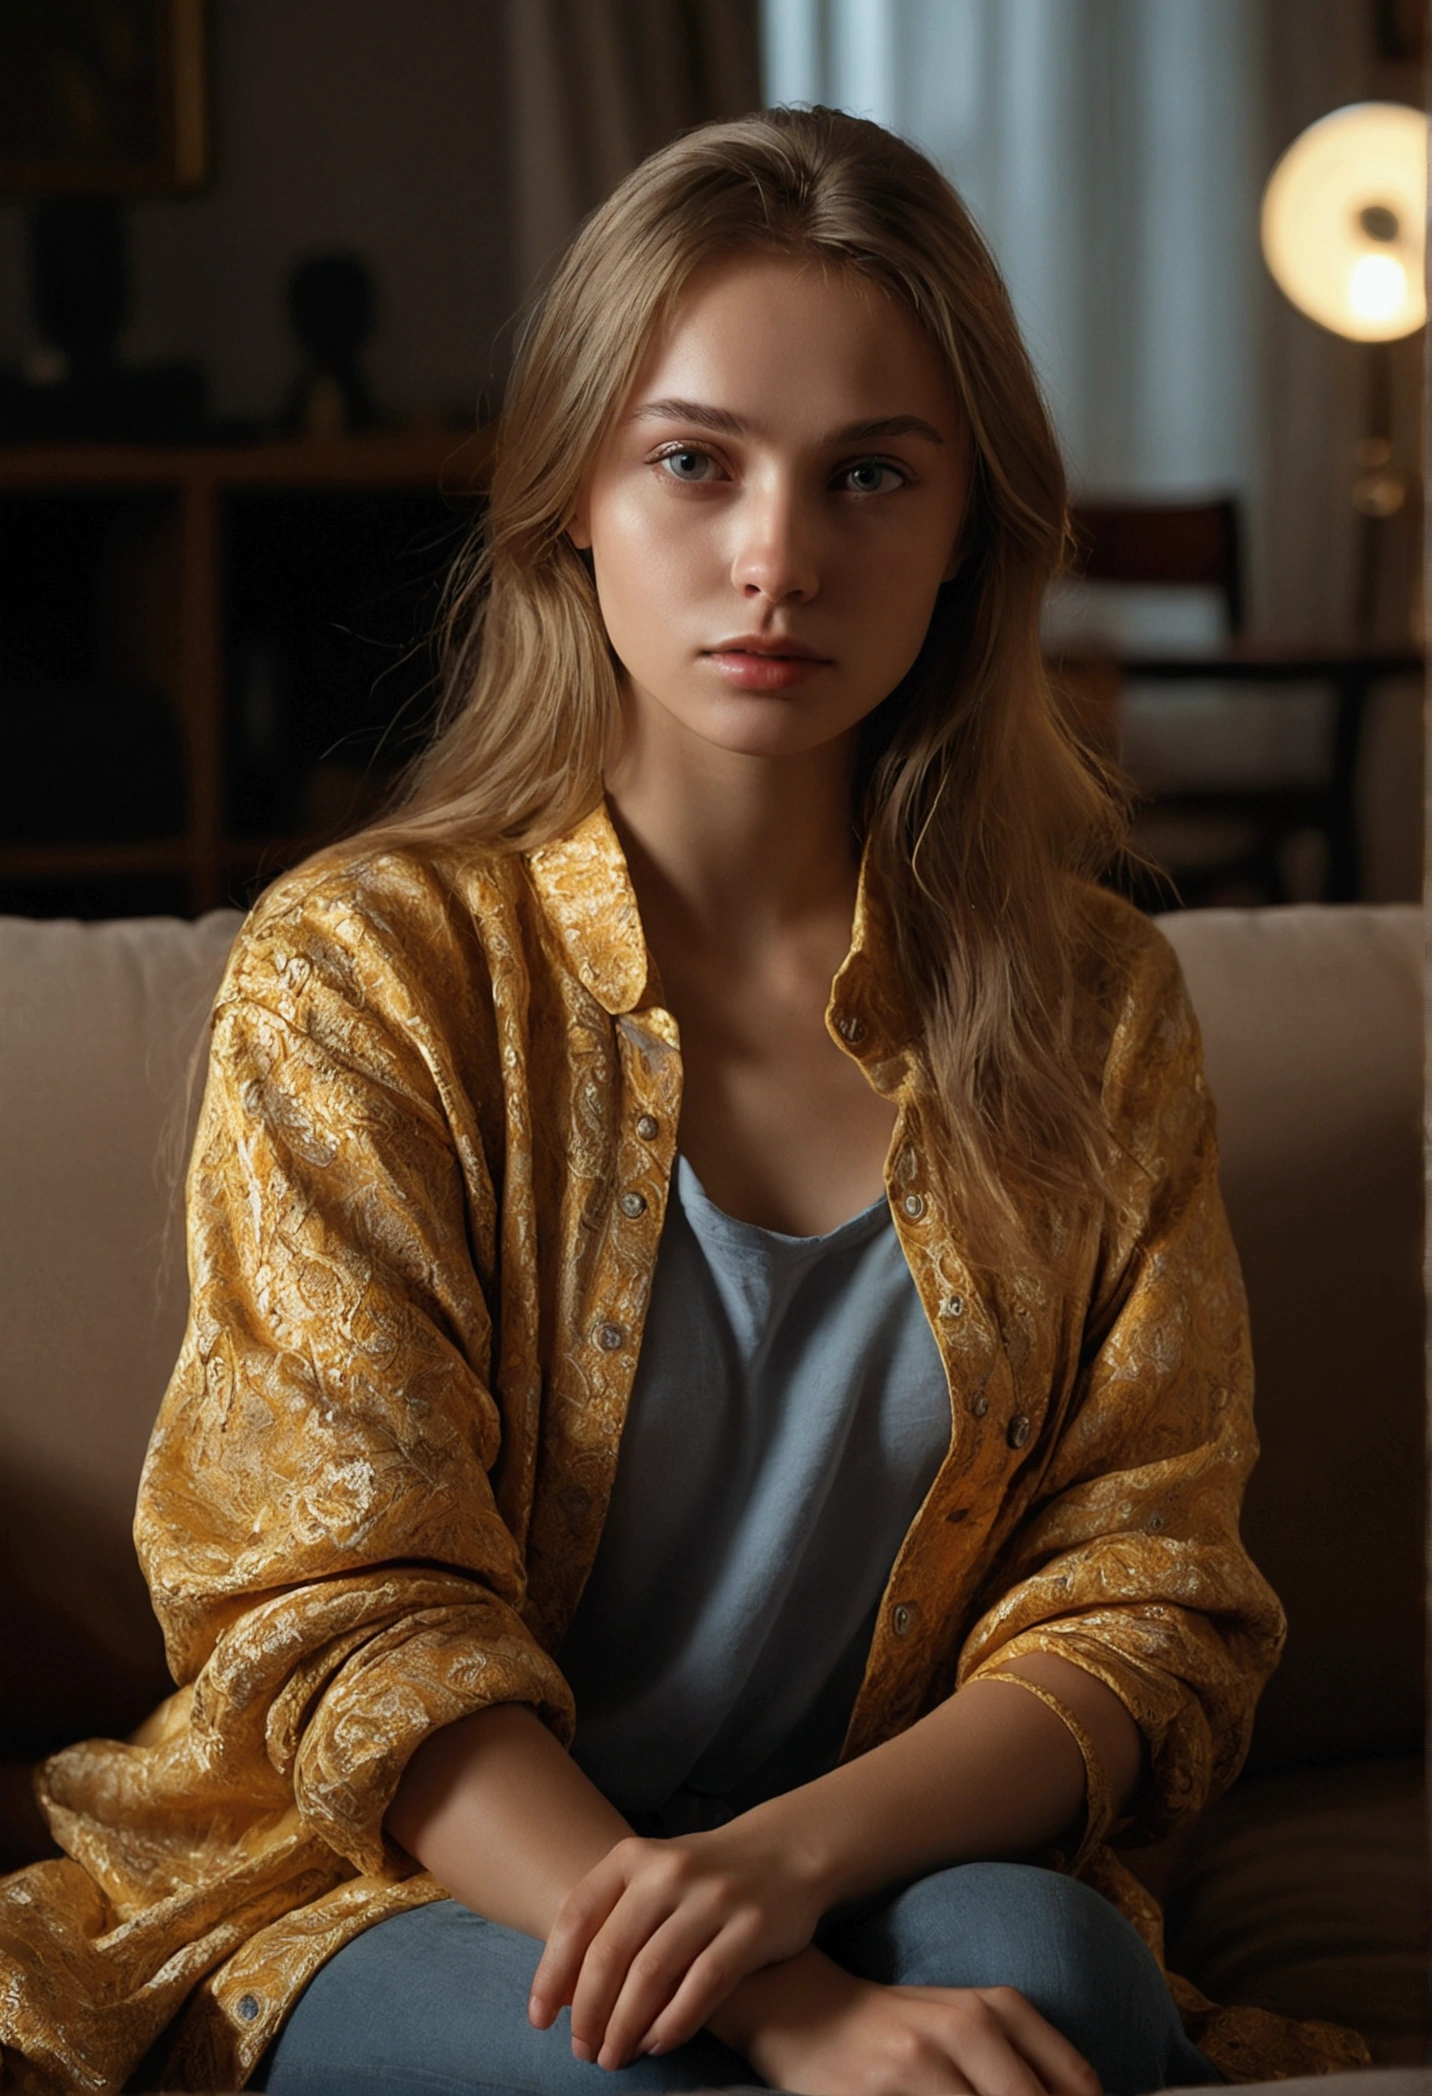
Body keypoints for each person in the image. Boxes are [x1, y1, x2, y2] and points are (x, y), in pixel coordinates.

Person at [0, 108, 1366, 2096]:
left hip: (865, 1850)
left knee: (1051, 1987)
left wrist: (778, 1868)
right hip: (397, 1881)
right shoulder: (363, 970)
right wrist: (787, 2005)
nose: (775, 559)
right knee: (653, 2073)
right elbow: (346, 1618)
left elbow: (1144, 1595)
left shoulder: (1089, 1004)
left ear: (970, 519)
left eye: (869, 476)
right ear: (571, 489)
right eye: (693, 463)